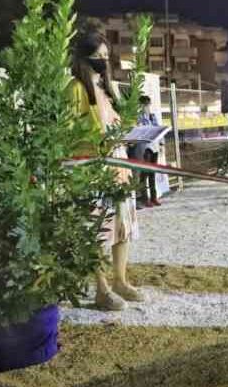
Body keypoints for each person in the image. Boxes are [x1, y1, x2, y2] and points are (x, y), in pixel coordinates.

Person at [68, 27, 143, 311]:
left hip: (118, 167)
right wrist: (97, 142)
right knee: (98, 231)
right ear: (84, 58)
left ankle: (120, 280)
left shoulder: (106, 89)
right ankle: (101, 289)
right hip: (94, 170)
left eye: (106, 56)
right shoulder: (76, 89)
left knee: (122, 227)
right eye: (98, 56)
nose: (103, 61)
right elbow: (68, 133)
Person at [132, 95, 161, 208]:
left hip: (154, 148)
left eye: (148, 104)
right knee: (144, 175)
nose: (147, 107)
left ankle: (154, 197)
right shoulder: (139, 117)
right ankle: (145, 199)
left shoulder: (153, 117)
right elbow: (139, 131)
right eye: (144, 105)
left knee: (152, 174)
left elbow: (157, 129)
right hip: (145, 148)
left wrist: (161, 143)